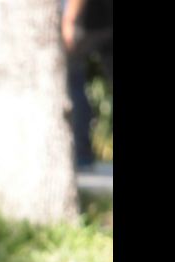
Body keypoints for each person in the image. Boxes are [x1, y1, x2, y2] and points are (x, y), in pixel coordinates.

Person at [61, 0, 113, 170]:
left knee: (72, 82)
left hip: (91, 24)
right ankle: (82, 154)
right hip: (99, 21)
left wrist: (69, 19)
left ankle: (81, 155)